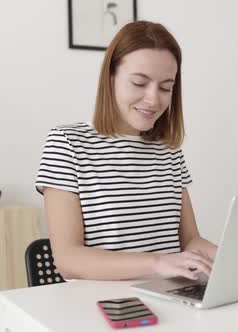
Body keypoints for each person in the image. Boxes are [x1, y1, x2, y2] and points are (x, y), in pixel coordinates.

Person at [35, 21, 217, 281]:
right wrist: (157, 263)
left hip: (170, 297)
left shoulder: (168, 150)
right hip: (100, 305)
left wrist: (227, 258)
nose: (154, 99)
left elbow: (190, 241)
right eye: (139, 83)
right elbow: (67, 259)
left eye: (166, 87)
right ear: (110, 77)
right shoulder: (67, 143)